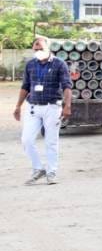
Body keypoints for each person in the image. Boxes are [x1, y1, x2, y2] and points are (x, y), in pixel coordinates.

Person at [13, 36, 72, 185]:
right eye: (35, 49)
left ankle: (51, 172)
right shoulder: (30, 64)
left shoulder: (59, 64)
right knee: (26, 140)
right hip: (33, 107)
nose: (38, 51)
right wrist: (18, 106)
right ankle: (38, 168)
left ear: (48, 48)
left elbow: (67, 86)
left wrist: (67, 106)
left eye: (41, 48)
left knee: (51, 142)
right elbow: (25, 86)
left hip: (52, 107)